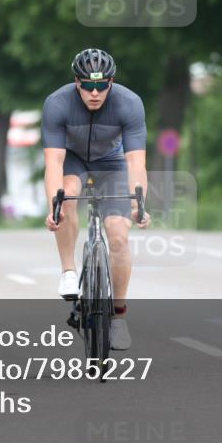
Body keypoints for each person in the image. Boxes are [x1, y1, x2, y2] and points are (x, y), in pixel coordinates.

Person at [42, 48, 150, 351]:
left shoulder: (129, 104)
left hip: (111, 163)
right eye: (87, 85)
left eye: (101, 86)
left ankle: (118, 316)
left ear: (111, 83)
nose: (94, 92)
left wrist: (137, 203)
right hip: (72, 160)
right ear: (76, 82)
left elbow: (135, 163)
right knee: (67, 197)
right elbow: (53, 162)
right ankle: (68, 271)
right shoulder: (57, 104)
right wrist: (54, 204)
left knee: (118, 236)